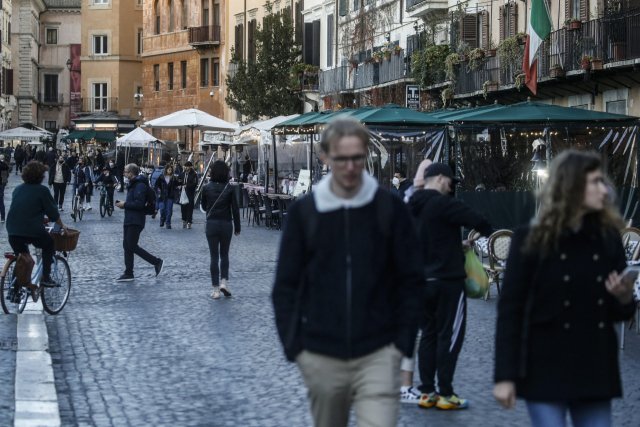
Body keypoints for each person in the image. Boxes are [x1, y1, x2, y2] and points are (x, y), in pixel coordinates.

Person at [272, 117, 425, 427]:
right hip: (321, 353)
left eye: (357, 157)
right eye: (342, 158)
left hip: (380, 351)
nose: (351, 166)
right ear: (326, 157)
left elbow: (411, 278)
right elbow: (286, 286)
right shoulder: (305, 212)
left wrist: (402, 344)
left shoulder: (390, 207)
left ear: (366, 154)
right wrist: (295, 348)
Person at [494, 151, 635, 427]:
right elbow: (511, 311)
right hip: (545, 365)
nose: (603, 189)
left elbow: (619, 312)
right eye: (595, 181)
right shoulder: (530, 239)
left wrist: (625, 296)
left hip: (593, 366)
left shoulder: (607, 239)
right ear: (571, 187)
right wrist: (505, 376)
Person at [409, 162, 492, 410]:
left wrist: (455, 246)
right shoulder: (445, 203)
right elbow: (482, 222)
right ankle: (446, 393)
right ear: (440, 179)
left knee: (428, 336)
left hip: (421, 281)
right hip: (448, 281)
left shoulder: (411, 205)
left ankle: (426, 392)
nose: (451, 187)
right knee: (450, 336)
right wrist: (466, 241)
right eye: (450, 182)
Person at [6, 162, 69, 289]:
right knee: (49, 244)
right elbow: (53, 213)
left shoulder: (18, 188)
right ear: (39, 176)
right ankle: (46, 277)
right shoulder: (42, 190)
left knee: (22, 257)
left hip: (12, 230)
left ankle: (15, 289)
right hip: (31, 230)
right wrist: (62, 225)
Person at [114, 163, 164, 282]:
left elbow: (139, 204)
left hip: (136, 220)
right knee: (127, 246)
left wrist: (124, 204)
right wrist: (124, 204)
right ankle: (128, 273)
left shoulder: (140, 185)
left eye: (125, 172)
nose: (124, 174)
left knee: (131, 245)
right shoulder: (133, 184)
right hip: (129, 219)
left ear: (131, 174)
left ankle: (156, 262)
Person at [200, 161, 241, 299]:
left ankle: (216, 290)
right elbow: (235, 209)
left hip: (211, 224)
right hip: (226, 224)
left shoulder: (206, 188)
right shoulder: (229, 189)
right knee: (224, 255)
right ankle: (224, 282)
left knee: (213, 256)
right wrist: (238, 227)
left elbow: (204, 207)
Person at [154, 165, 178, 229]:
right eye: (169, 170)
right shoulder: (161, 177)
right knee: (162, 209)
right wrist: (158, 189)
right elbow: (156, 185)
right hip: (162, 195)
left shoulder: (173, 178)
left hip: (170, 195)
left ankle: (168, 223)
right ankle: (162, 219)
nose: (170, 171)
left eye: (171, 170)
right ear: (166, 170)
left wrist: (177, 187)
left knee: (169, 210)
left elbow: (175, 186)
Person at [179, 161, 198, 229]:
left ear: (191, 167)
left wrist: (187, 186)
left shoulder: (193, 175)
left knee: (190, 208)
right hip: (183, 193)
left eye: (187, 166)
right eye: (185, 166)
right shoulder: (182, 174)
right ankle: (184, 220)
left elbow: (195, 184)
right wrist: (179, 185)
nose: (186, 168)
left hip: (190, 193)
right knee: (183, 207)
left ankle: (189, 222)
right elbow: (179, 181)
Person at [0, 155, 9, 223]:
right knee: (1, 201)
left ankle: (3, 217)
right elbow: (6, 167)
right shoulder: (2, 164)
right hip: (1, 184)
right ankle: (2, 217)